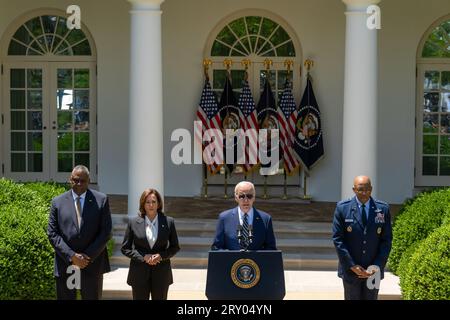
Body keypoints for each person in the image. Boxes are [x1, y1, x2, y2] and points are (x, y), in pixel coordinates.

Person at [47, 165, 112, 300]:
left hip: (92, 265)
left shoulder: (101, 200)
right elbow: (52, 233)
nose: (79, 184)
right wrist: (72, 256)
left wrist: (86, 257)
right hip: (66, 264)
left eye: (83, 180)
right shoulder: (57, 202)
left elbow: (106, 232)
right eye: (76, 180)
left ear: (89, 180)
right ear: (70, 179)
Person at [332, 175, 393, 300]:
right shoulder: (343, 208)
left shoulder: (382, 209)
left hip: (373, 272)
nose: (364, 192)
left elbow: (386, 241)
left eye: (367, 189)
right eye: (360, 189)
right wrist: (352, 265)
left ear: (371, 189)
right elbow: (338, 239)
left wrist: (376, 266)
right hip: (351, 270)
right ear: (354, 189)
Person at [121, 188, 180, 300]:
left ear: (159, 204)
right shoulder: (133, 222)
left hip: (161, 273)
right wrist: (143, 257)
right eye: (147, 202)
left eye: (154, 202)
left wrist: (161, 256)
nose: (151, 205)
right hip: (139, 273)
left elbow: (175, 247)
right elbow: (125, 248)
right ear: (143, 204)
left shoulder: (168, 222)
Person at [211, 181, 277, 250]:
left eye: (249, 196)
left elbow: (271, 248)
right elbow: (216, 247)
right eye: (242, 196)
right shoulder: (224, 218)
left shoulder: (265, 219)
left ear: (254, 197)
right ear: (236, 198)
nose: (246, 200)